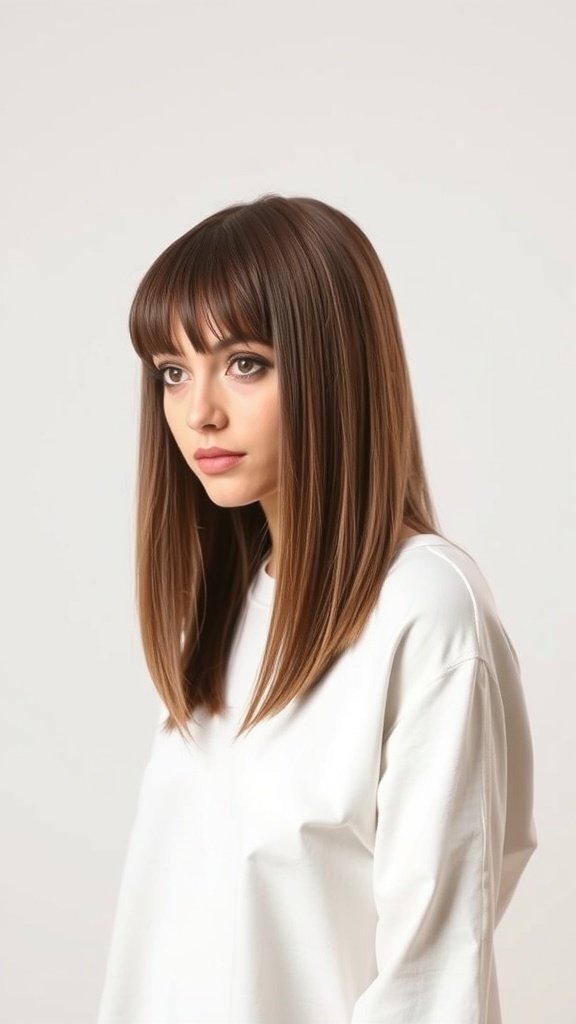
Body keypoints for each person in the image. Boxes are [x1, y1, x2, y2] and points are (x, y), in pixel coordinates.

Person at [96, 194, 537, 1024]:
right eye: (173, 372)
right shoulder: (224, 619)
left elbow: (432, 979)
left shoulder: (425, 611)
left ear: (335, 367)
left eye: (246, 362)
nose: (200, 414)